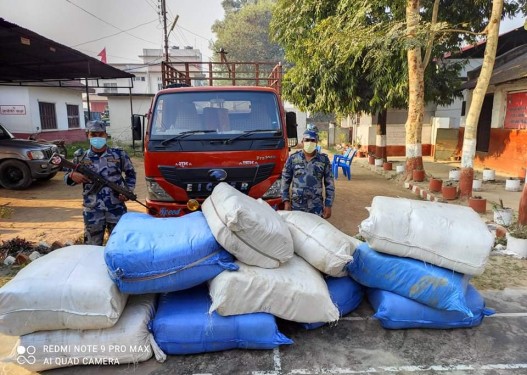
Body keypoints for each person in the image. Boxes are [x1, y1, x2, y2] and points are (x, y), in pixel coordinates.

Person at [65, 120, 136, 245]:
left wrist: (127, 191)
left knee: (118, 245)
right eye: (93, 134)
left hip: (116, 208)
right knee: (92, 247)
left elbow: (131, 174)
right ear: (88, 135)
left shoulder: (119, 155)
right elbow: (67, 178)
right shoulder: (80, 157)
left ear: (106, 135)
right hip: (92, 210)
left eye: (100, 134)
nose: (97, 137)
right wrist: (72, 175)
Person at [280, 127, 335, 219]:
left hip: (316, 206)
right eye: (307, 140)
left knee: (316, 231)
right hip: (297, 205)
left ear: (316, 142)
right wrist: (286, 201)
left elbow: (330, 183)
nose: (310, 142)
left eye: (312, 140)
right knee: (297, 230)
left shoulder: (323, 160)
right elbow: (285, 180)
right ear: (302, 141)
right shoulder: (293, 159)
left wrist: (328, 205)